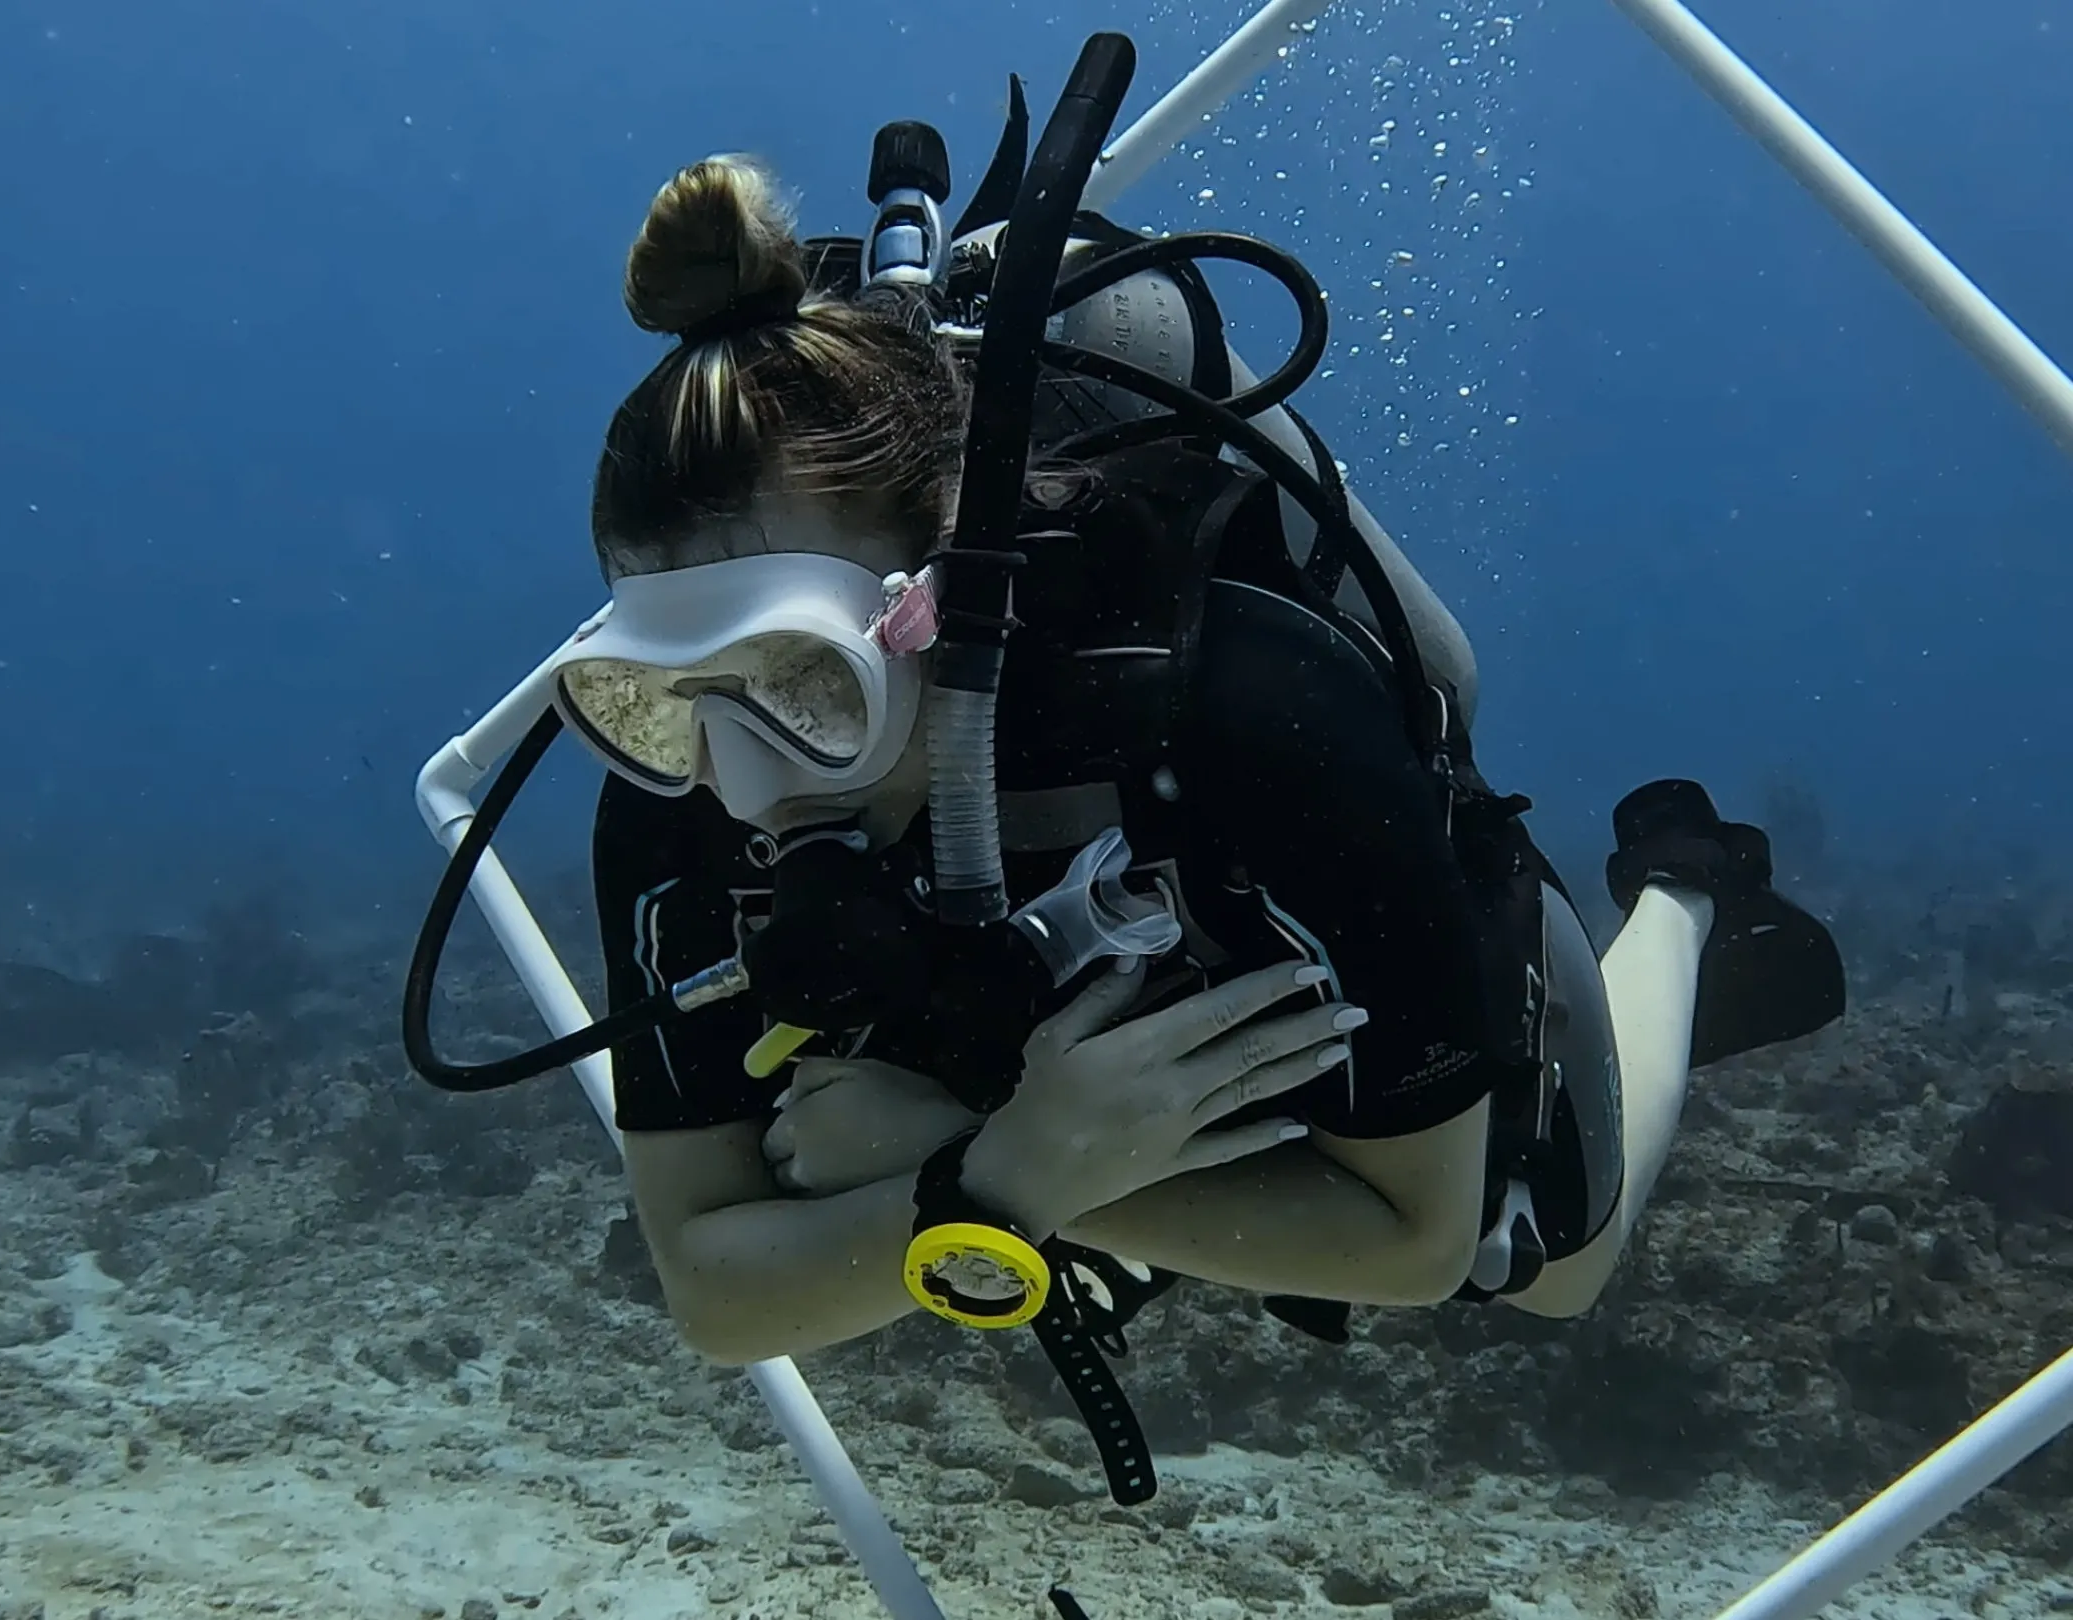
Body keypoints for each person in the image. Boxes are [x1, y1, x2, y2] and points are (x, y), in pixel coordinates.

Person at [407, 73, 1844, 1506]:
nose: (737, 774)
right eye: (656, 696)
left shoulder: (1252, 711)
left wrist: (1003, 1157)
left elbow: (1416, 1238)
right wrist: (1004, 1177)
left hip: (1313, 1046)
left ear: (940, 611)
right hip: (1109, 1104)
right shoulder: (671, 785)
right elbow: (718, 1298)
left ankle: (1682, 885)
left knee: (1551, 1271)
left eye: (803, 682)